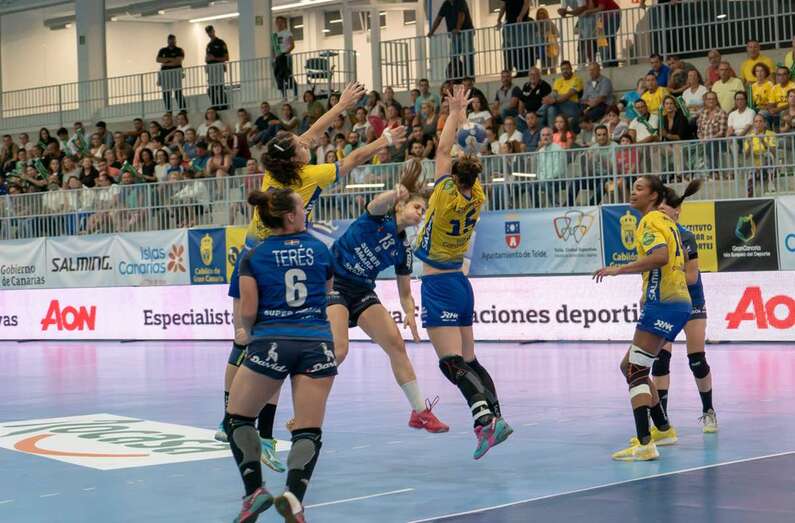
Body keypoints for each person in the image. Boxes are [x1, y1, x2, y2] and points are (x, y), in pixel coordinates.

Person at [216, 82, 407, 459]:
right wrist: (383, 139)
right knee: (251, 340)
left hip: (252, 255)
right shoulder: (309, 176)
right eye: (302, 146)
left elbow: (310, 133)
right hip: (265, 262)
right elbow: (351, 161)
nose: (308, 143)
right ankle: (237, 423)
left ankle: (241, 425)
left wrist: (341, 106)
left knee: (248, 340)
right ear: (298, 160)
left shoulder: (279, 169)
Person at [225, 187, 336, 523]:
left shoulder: (254, 256)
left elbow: (248, 309)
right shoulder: (320, 249)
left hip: (271, 342)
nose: (306, 213)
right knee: (308, 430)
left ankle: (254, 490)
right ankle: (293, 496)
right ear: (290, 216)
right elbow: (327, 293)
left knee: (238, 418)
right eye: (302, 208)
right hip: (317, 342)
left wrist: (252, 329)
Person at [415, 85, 513, 460]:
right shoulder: (478, 196)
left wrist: (454, 112)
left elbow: (441, 149)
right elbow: (452, 156)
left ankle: (484, 420)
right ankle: (497, 417)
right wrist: (462, 120)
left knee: (450, 363)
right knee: (469, 360)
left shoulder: (444, 192)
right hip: (460, 282)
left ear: (452, 177)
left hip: (438, 282)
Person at [327, 161, 448, 433]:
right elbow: (377, 203)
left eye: (424, 211)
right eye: (418, 207)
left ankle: (420, 413)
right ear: (401, 206)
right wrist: (397, 192)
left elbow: (405, 291)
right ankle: (308, 395)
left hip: (361, 291)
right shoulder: (376, 218)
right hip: (333, 283)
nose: (421, 213)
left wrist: (409, 312)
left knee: (396, 344)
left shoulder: (403, 249)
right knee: (340, 349)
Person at [593, 175, 700, 461]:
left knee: (636, 371)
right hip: (676, 303)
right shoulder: (666, 221)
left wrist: (619, 269)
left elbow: (661, 257)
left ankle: (644, 443)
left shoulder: (650, 222)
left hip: (663, 304)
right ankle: (663, 428)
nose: (633, 191)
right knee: (629, 364)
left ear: (653, 196)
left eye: (640, 188)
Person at [655, 183, 718, 433]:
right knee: (660, 361)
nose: (659, 213)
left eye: (663, 208)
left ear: (676, 210)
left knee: (696, 360)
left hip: (691, 300)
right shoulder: (654, 234)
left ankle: (708, 410)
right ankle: (662, 420)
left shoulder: (686, 237)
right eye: (656, 208)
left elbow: (691, 277)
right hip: (666, 301)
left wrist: (667, 270)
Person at [428, 0, 475, 79]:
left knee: (468, 54)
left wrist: (457, 29)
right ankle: (457, 76)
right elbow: (438, 18)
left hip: (466, 32)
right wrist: (431, 32)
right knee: (453, 56)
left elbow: (461, 15)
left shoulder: (460, 2)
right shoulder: (446, 4)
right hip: (454, 35)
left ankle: (469, 77)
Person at [539, 60, 583, 130]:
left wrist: (554, 100)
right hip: (558, 105)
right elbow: (553, 94)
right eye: (563, 69)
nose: (565, 71)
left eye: (567, 69)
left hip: (572, 106)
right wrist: (548, 99)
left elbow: (568, 95)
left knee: (554, 97)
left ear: (571, 69)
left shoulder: (577, 80)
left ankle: (540, 112)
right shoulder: (558, 81)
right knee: (551, 109)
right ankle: (553, 133)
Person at [497, 0, 532, 78]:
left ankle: (521, 71)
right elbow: (503, 6)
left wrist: (521, 16)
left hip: (520, 24)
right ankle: (509, 71)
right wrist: (499, 19)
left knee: (520, 48)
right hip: (509, 24)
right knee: (508, 49)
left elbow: (526, 3)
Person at [156, 34, 185, 112]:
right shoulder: (162, 50)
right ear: (167, 41)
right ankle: (168, 110)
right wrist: (172, 59)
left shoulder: (179, 50)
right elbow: (158, 59)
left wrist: (166, 62)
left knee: (178, 92)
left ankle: (183, 109)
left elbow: (178, 61)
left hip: (176, 73)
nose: (171, 41)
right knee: (166, 93)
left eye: (173, 40)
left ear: (175, 40)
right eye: (170, 40)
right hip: (165, 75)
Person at [272, 16, 297, 101]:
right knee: (278, 77)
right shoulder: (274, 34)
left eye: (281, 22)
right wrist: (274, 57)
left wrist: (285, 53)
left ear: (284, 23)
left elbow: (292, 45)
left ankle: (295, 94)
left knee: (288, 75)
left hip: (285, 56)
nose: (279, 24)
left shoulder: (287, 33)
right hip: (277, 58)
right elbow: (273, 48)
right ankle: (284, 96)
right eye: (277, 22)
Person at [205, 25, 229, 110]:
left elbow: (226, 58)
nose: (209, 33)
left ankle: (224, 106)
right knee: (211, 89)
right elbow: (207, 58)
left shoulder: (221, 43)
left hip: (218, 68)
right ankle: (215, 106)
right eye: (208, 32)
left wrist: (214, 58)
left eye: (210, 31)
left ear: (214, 31)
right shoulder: (208, 45)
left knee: (220, 88)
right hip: (211, 69)